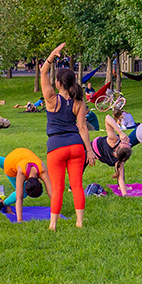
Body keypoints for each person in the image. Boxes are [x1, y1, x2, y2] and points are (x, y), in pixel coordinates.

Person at [40, 42, 95, 230]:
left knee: (58, 188)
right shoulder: (79, 101)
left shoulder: (50, 97)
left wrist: (52, 56)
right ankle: (79, 222)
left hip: (56, 147)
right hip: (76, 146)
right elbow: (83, 128)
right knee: (77, 186)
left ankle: (53, 225)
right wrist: (90, 151)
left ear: (58, 83)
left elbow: (42, 73)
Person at [0, 148, 52, 222]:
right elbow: (19, 197)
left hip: (20, 153)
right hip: (14, 161)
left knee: (11, 161)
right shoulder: (22, 172)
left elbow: (51, 194)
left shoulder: (42, 170)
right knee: (22, 192)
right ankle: (5, 203)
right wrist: (20, 220)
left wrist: (56, 213)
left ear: (40, 181)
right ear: (40, 181)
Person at [91, 109, 134, 195]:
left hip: (96, 150)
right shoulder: (121, 156)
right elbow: (107, 118)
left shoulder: (114, 140)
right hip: (98, 151)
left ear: (118, 148)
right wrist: (125, 194)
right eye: (128, 144)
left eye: (125, 143)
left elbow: (107, 117)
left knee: (120, 169)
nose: (126, 141)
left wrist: (121, 133)